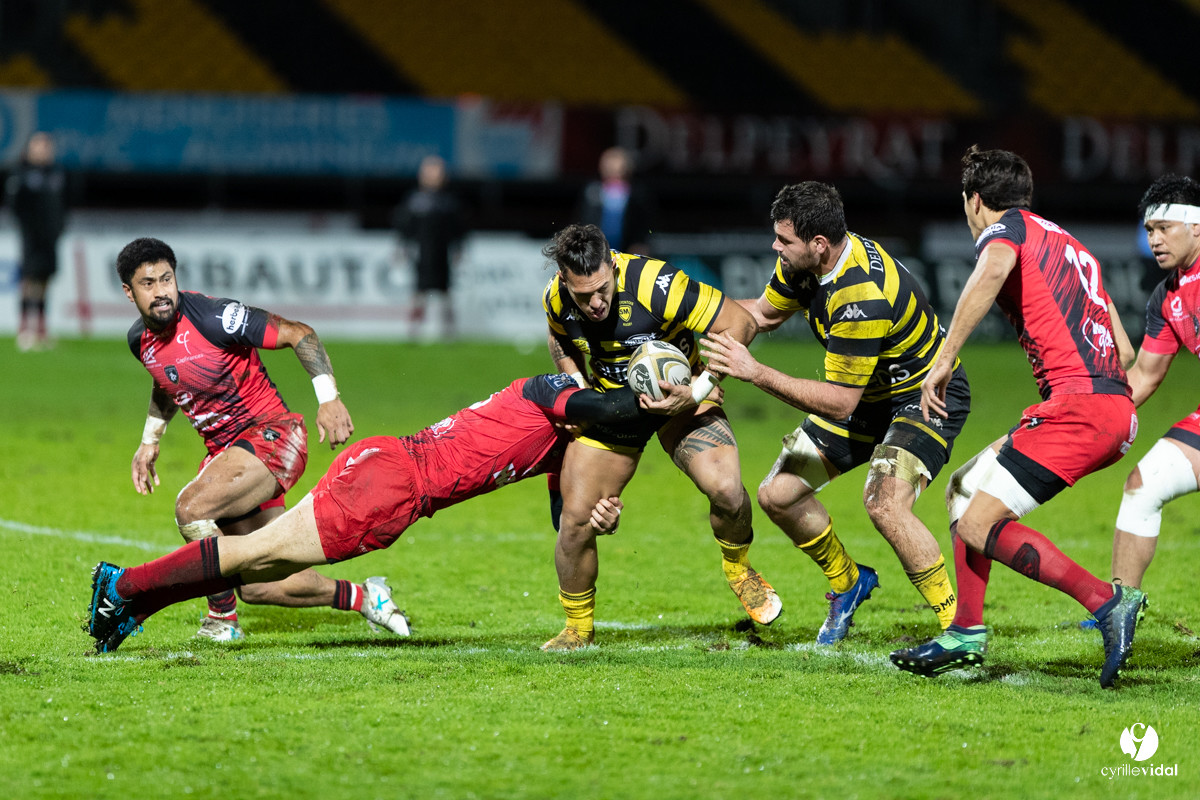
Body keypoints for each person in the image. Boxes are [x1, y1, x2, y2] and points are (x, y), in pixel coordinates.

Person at [84, 373, 639, 653]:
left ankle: (130, 608)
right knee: (255, 554)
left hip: (383, 465)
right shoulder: (558, 393)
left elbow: (565, 520)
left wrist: (596, 518)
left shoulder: (560, 436)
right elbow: (605, 407)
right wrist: (671, 397)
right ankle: (124, 585)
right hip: (389, 491)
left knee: (255, 578)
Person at [889, 146, 1145, 689]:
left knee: (978, 524)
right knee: (964, 490)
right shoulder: (1074, 246)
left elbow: (991, 271)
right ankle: (965, 633)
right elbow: (1123, 350)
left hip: (1079, 407)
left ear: (974, 200)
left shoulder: (1004, 232)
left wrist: (943, 359)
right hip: (1109, 404)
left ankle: (1106, 603)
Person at [701, 182, 966, 645]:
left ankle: (959, 627)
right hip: (867, 399)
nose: (774, 247)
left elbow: (840, 402)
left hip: (921, 399)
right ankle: (849, 582)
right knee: (778, 496)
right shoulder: (804, 264)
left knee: (884, 502)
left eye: (784, 240)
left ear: (819, 244)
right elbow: (761, 315)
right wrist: (686, 321)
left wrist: (755, 372)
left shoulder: (859, 297)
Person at [118, 236, 409, 642]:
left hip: (272, 436)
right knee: (256, 582)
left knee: (192, 509)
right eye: (148, 284)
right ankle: (365, 596)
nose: (161, 291)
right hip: (232, 455)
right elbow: (167, 381)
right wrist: (151, 439)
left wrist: (328, 399)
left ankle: (222, 621)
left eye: (166, 279)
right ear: (129, 292)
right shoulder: (140, 341)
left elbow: (298, 333)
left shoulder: (214, 317)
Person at [540, 222, 780, 652]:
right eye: (583, 296)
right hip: (614, 406)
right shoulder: (556, 299)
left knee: (727, 490)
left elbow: (740, 324)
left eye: (602, 289)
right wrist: (575, 392)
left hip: (683, 395)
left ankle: (739, 569)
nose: (595, 304)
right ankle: (577, 628)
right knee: (574, 522)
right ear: (563, 281)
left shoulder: (656, 283)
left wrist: (699, 389)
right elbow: (560, 341)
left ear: (612, 265)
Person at [1108, 174, 1200, 590]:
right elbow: (1144, 375)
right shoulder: (1167, 297)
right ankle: (1119, 608)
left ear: (1195, 225)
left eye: (1164, 228)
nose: (1154, 241)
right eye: (1149, 231)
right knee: (1141, 485)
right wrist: (1092, 408)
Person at [7, 131, 67, 352]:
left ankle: (41, 330)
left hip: (50, 238)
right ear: (30, 149)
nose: (44, 150)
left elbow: (64, 204)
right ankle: (24, 329)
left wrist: (59, 227)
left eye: (47, 146)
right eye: (39, 146)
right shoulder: (21, 174)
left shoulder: (56, 174)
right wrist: (26, 228)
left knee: (44, 282)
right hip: (30, 238)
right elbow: (15, 205)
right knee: (29, 281)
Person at [394, 154, 464, 339]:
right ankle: (414, 330)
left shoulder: (448, 202)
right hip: (422, 254)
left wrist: (458, 249)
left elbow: (459, 229)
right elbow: (404, 228)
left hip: (442, 254)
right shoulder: (415, 201)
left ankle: (448, 331)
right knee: (419, 292)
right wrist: (401, 248)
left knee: (445, 292)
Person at [575, 146, 655, 255]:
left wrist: (639, 245)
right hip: (596, 253)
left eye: (619, 174)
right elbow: (582, 221)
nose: (615, 179)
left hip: (628, 252)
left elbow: (645, 226)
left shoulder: (638, 195)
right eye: (610, 173)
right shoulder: (591, 192)